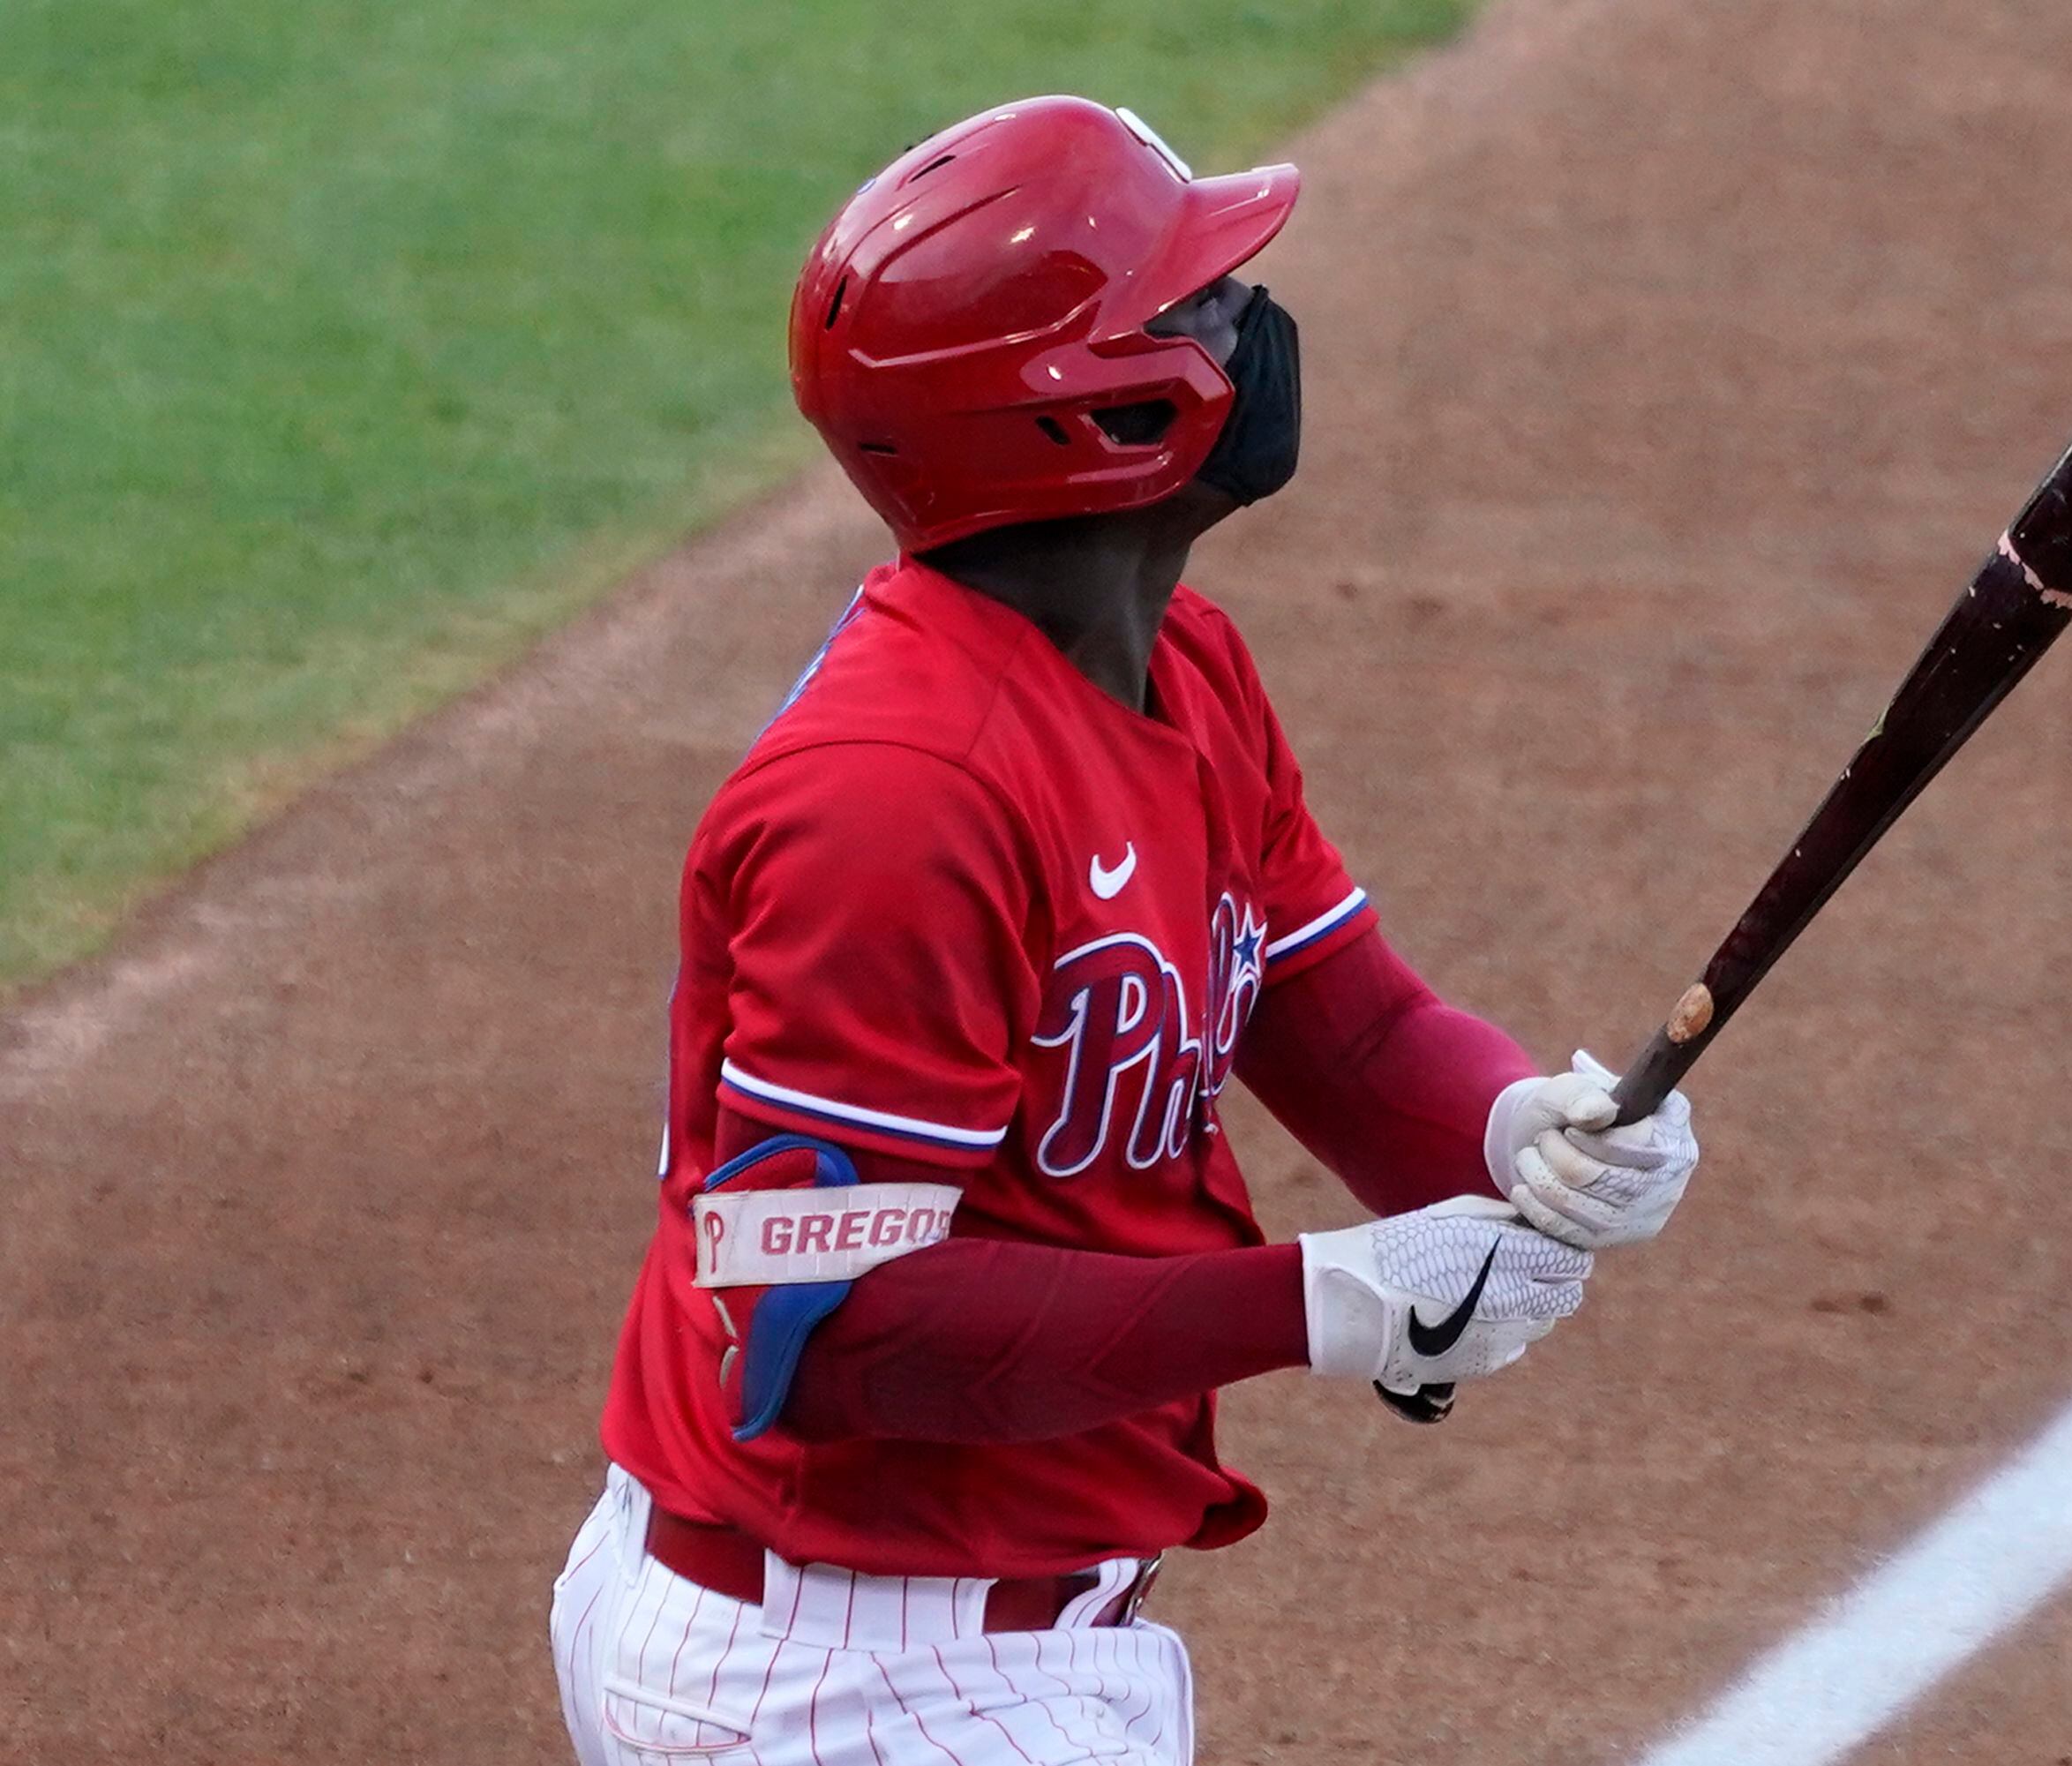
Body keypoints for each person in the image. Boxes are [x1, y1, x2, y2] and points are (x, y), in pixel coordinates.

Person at [548, 94, 1699, 1766]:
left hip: (977, 1640)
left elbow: (1347, 1022)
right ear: (1086, 415)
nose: (1254, 326)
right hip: (836, 1678)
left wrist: (1518, 1127)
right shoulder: (900, 799)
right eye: (1199, 305)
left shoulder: (1184, 665)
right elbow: (839, 1323)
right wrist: (1327, 1299)